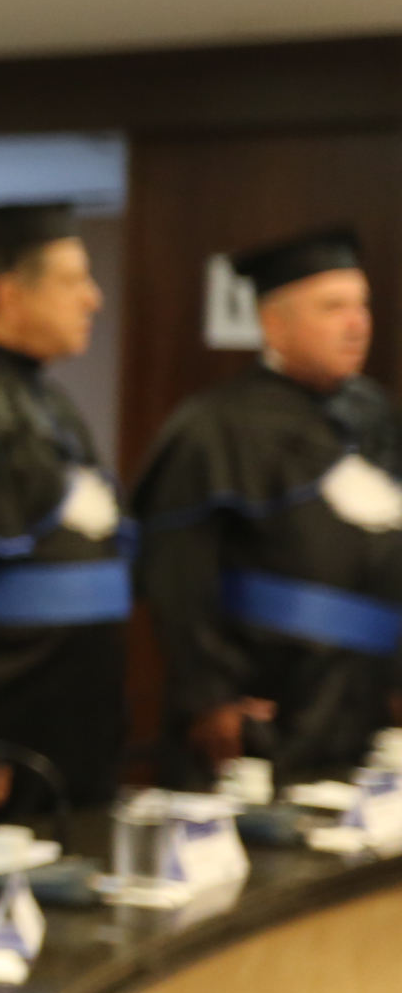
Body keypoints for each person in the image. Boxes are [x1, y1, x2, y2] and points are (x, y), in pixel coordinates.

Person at [133, 229, 402, 784]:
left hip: (368, 701)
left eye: (362, 306)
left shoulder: (376, 414)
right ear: (274, 324)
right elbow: (178, 578)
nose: (357, 324)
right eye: (333, 307)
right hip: (266, 706)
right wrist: (210, 696)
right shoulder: (211, 425)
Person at [0, 206, 128, 811]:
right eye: (73, 281)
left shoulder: (52, 398)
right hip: (10, 713)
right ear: (9, 294)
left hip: (81, 709)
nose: (93, 298)